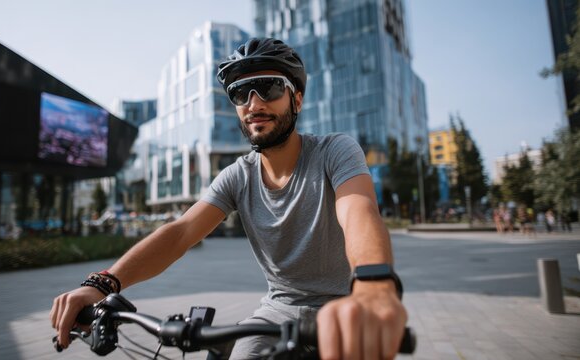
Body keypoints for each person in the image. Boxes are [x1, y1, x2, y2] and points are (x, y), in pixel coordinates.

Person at [50, 38, 407, 359]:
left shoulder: (335, 151)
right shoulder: (238, 175)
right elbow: (180, 233)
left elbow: (359, 212)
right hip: (278, 313)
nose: (253, 103)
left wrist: (374, 286)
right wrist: (102, 284)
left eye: (267, 88)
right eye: (240, 93)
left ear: (296, 98)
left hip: (349, 308)